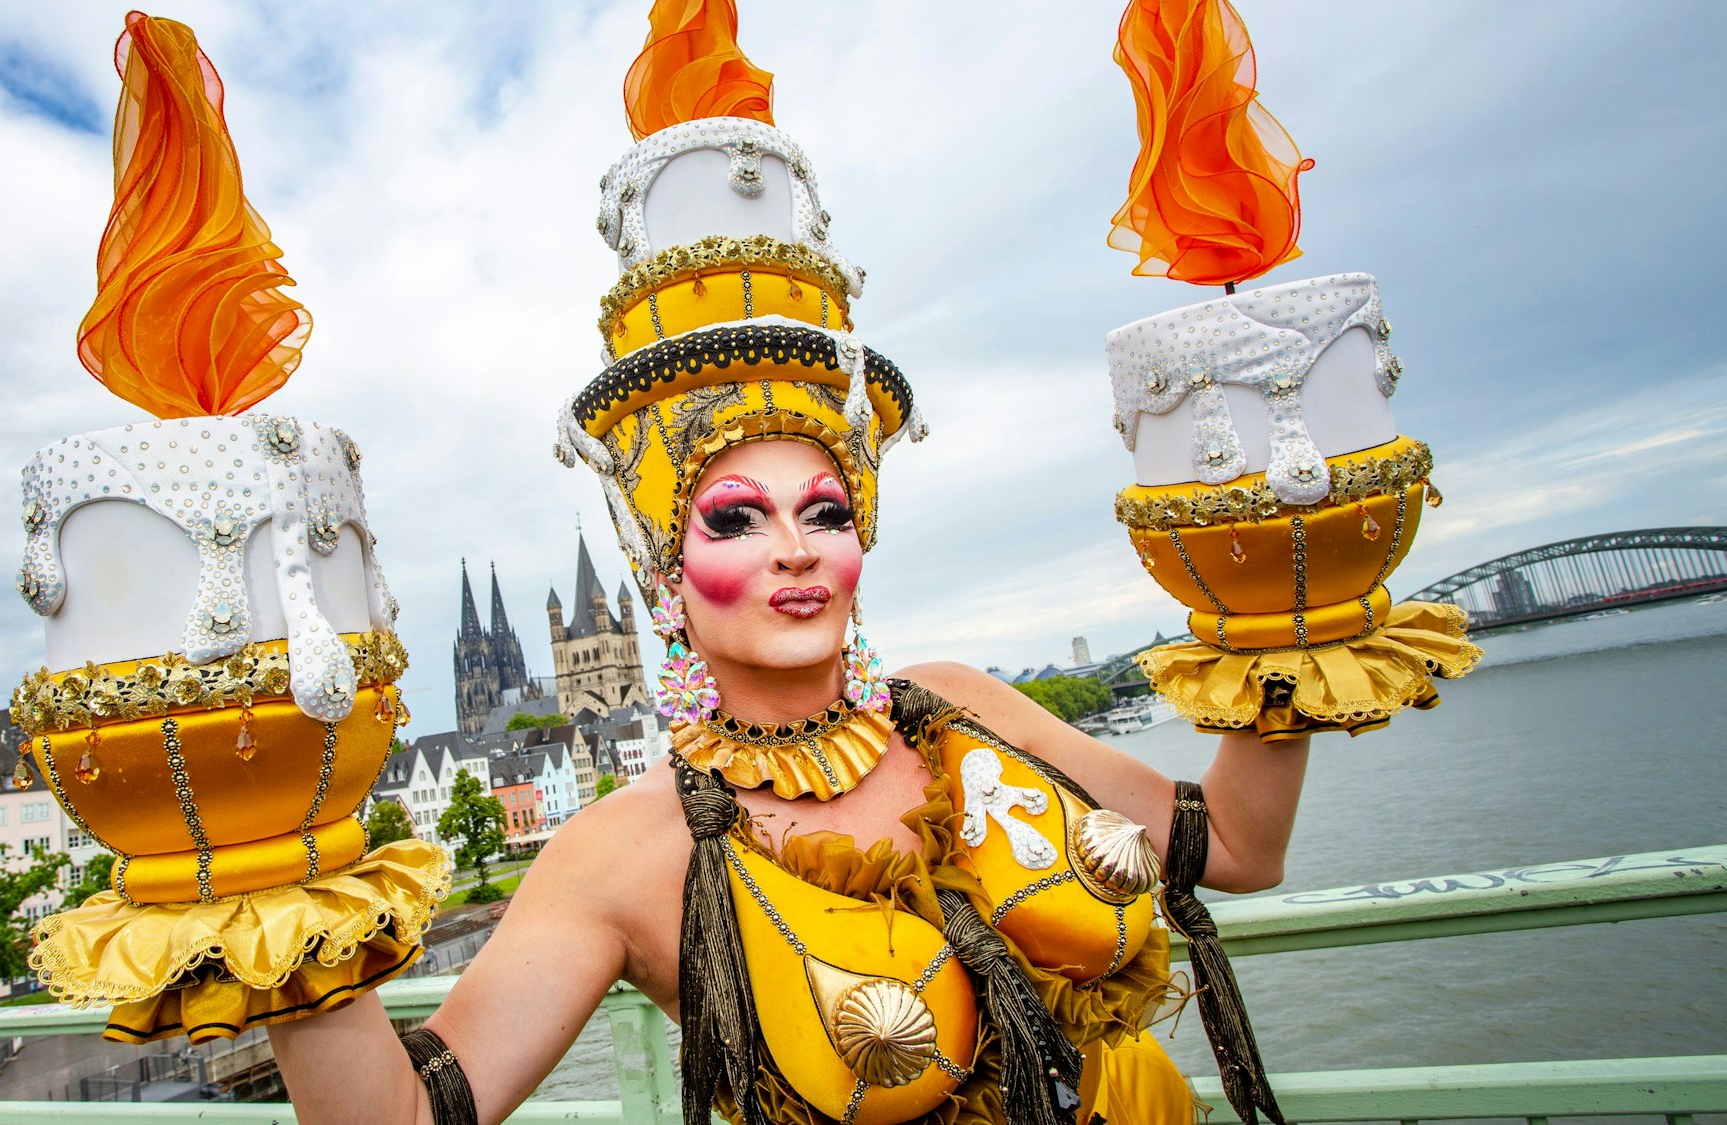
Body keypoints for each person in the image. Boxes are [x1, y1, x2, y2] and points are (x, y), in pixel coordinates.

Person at [265, 8, 1343, 1123]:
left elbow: (1238, 848)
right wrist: (272, 895)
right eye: (734, 519)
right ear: (659, 569)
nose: (793, 549)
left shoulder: (961, 708)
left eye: (823, 509)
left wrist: (1281, 603)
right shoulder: (625, 849)